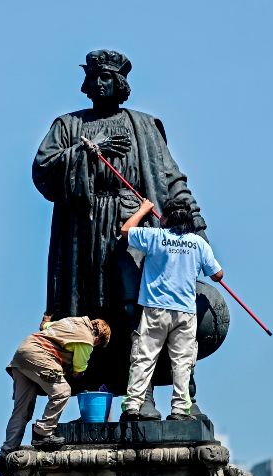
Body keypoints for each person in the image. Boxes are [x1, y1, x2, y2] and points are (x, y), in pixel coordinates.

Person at [32, 49, 219, 415]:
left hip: (137, 232)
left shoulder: (145, 126)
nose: (100, 83)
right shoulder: (67, 125)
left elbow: (170, 180)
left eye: (108, 77)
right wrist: (89, 152)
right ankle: (94, 395)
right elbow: (44, 170)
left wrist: (196, 230)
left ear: (121, 84)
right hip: (85, 233)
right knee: (93, 314)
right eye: (95, 76)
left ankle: (148, 394)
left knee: (140, 311)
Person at [119, 197, 224, 421]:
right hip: (185, 313)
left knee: (144, 359)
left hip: (155, 310)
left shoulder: (155, 237)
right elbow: (217, 274)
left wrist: (144, 209)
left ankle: (132, 407)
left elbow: (126, 230)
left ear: (164, 218)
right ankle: (179, 410)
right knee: (182, 363)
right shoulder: (198, 244)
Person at [0, 316, 111, 475]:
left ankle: (5, 455)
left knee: (22, 409)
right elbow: (78, 370)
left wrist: (46, 319)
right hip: (40, 355)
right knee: (63, 391)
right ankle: (44, 433)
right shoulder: (87, 340)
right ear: (98, 339)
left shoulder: (71, 321)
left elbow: (44, 325)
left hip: (22, 354)